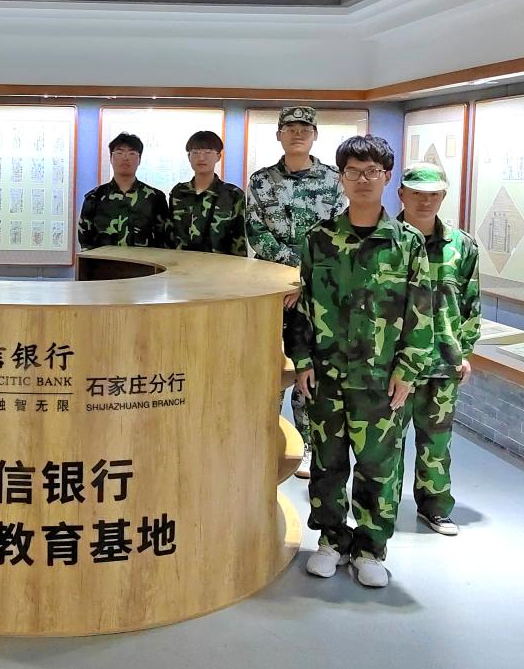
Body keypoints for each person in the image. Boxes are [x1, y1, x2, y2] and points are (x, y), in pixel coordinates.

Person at [290, 135, 433, 588]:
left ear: (387, 177)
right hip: (327, 375)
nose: (363, 179)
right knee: (327, 464)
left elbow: (421, 311)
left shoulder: (407, 243)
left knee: (378, 467)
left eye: (372, 171)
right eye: (353, 171)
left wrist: (407, 371)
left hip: (381, 380)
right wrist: (301, 360)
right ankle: (331, 541)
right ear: (341, 178)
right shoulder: (319, 240)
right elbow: (302, 306)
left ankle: (371, 548)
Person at [246, 107, 347, 478]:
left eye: (305, 127)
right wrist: (292, 273)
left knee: (310, 368)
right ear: (279, 135)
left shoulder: (334, 180)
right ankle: (264, 440)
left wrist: (305, 279)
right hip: (272, 291)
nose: (297, 133)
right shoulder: (261, 181)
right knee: (269, 366)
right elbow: (256, 232)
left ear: (315, 134)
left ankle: (305, 444)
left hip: (318, 292)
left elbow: (339, 235)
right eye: (289, 128)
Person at [396, 162, 481, 536]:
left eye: (433, 194)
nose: (425, 201)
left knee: (437, 443)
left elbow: (471, 303)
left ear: (443, 196)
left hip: (443, 361)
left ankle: (435, 507)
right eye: (417, 193)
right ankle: (380, 512)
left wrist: (465, 351)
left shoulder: (461, 246)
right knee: (386, 444)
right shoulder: (386, 240)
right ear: (401, 194)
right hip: (395, 363)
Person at [78, 132, 170, 250]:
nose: (125, 158)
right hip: (104, 261)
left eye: (132, 153)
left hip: (143, 261)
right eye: (119, 153)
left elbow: (165, 239)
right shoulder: (94, 197)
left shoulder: (155, 198)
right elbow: (85, 240)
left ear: (139, 159)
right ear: (111, 159)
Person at [167, 131, 245, 255]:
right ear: (189, 157)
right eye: (195, 152)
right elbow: (169, 234)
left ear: (218, 156)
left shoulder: (233, 195)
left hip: (219, 264)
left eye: (208, 152)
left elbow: (239, 240)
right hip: (180, 263)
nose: (201, 158)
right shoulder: (179, 192)